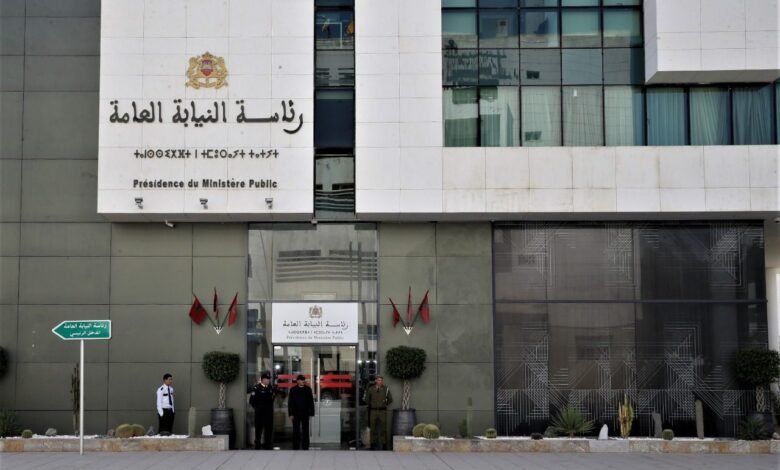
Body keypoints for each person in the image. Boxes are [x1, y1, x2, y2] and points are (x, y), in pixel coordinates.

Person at [363, 375, 392, 450]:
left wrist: (384, 404)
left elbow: (390, 399)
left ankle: (384, 445)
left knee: (383, 429)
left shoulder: (386, 389)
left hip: (382, 411)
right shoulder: (371, 389)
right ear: (375, 381)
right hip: (373, 411)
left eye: (381, 380)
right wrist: (372, 404)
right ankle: (372, 445)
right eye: (379, 380)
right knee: (373, 428)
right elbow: (366, 399)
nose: (380, 382)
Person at [287, 374, 314, 450]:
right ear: (298, 381)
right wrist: (291, 413)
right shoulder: (293, 390)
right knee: (296, 430)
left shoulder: (308, 389)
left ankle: (305, 445)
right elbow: (290, 402)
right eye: (302, 380)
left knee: (306, 430)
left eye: (303, 380)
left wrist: (311, 412)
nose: (303, 381)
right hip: (295, 414)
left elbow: (310, 401)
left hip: (305, 413)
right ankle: (296, 445)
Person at [249, 372, 275, 450]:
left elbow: (272, 399)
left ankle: (268, 445)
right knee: (258, 429)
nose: (268, 380)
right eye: (267, 379)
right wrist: (257, 408)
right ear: (262, 380)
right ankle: (257, 445)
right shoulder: (257, 388)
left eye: (269, 379)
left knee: (268, 429)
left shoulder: (271, 388)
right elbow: (252, 401)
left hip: (269, 413)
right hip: (259, 413)